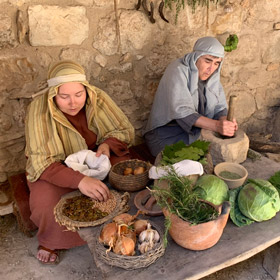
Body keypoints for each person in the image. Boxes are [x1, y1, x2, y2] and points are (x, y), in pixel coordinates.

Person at [25, 60, 135, 264]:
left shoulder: (97, 98)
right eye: (64, 97)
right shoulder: (38, 110)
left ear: (86, 91)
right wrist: (80, 180)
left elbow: (124, 130)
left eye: (78, 95)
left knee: (125, 168)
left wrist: (107, 145)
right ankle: (52, 240)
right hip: (55, 166)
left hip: (92, 155)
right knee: (45, 200)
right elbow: (42, 161)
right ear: (53, 95)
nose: (73, 103)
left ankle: (117, 229)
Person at [143, 36, 238, 157]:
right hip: (166, 135)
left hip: (195, 132)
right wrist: (217, 126)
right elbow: (182, 112)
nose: (211, 69)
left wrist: (224, 119)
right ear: (196, 57)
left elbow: (219, 107)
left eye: (216, 63)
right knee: (191, 163)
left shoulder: (212, 77)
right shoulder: (177, 70)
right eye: (208, 61)